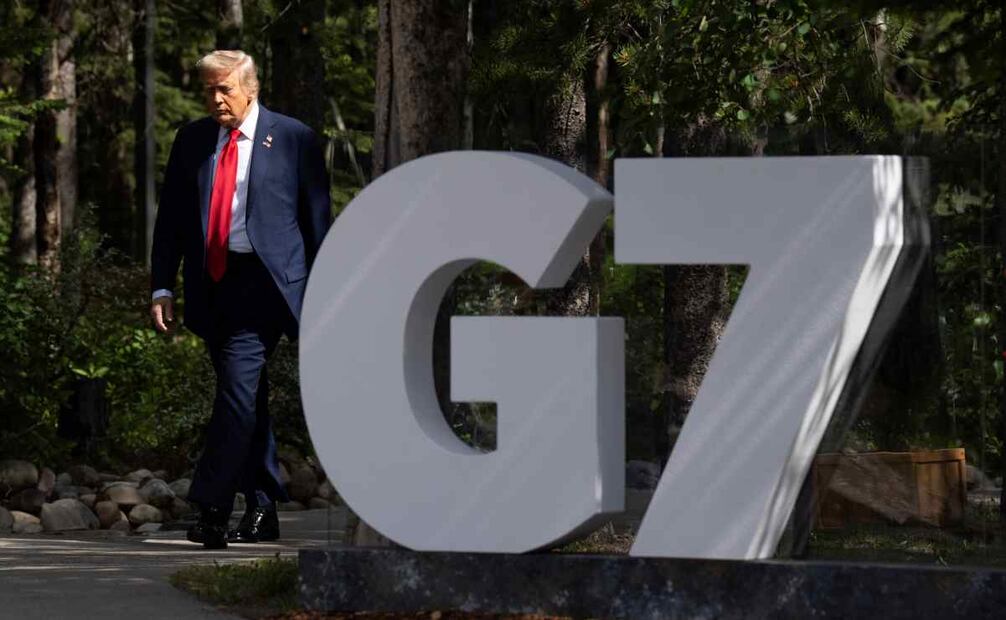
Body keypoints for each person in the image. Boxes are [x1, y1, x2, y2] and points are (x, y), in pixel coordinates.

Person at [149, 50, 331, 549]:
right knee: (246, 394)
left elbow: (317, 222)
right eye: (208, 89)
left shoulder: (293, 138)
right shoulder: (191, 140)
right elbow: (171, 220)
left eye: (224, 89)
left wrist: (326, 292)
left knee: (236, 390)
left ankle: (211, 508)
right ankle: (262, 506)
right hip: (212, 283)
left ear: (250, 88)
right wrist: (162, 285)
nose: (215, 99)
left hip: (267, 285)